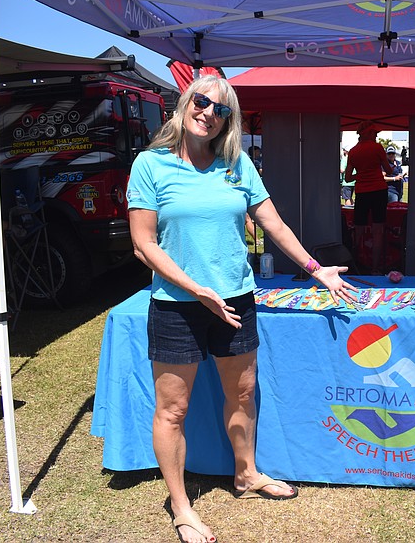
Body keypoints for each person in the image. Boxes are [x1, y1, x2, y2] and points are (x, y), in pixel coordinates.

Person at [127, 75, 357, 543]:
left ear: (228, 121)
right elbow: (143, 243)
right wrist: (197, 290)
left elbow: (273, 222)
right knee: (173, 409)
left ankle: (246, 473)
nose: (208, 112)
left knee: (244, 393)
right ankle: (182, 507)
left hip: (235, 300)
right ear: (185, 102)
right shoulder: (150, 165)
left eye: (221, 109)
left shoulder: (236, 164)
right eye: (202, 101)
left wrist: (317, 269)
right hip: (177, 305)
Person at [343, 120, 395, 274]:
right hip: (378, 190)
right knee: (378, 230)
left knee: (358, 230)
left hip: (361, 192)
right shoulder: (377, 148)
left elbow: (347, 178)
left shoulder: (353, 151)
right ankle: (375, 268)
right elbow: (389, 171)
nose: (376, 136)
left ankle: (355, 265)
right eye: (375, 133)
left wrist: (361, 174)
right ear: (369, 133)